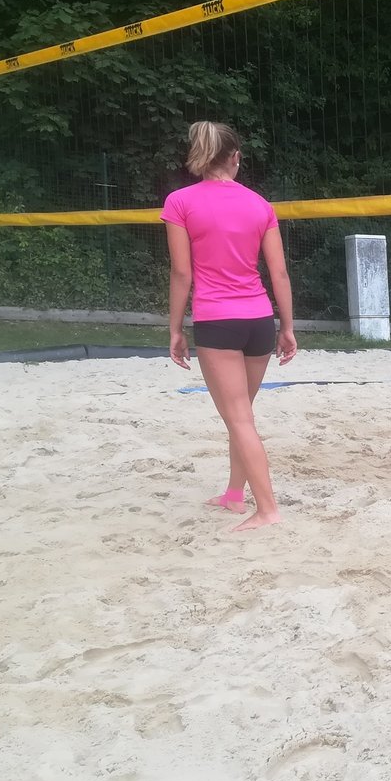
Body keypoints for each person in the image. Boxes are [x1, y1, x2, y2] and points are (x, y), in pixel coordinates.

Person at [163, 120, 297, 531]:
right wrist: (287, 327)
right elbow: (279, 273)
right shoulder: (259, 204)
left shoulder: (180, 202)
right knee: (242, 416)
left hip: (217, 320)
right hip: (259, 319)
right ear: (236, 157)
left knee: (239, 419)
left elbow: (181, 273)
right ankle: (235, 494)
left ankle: (268, 510)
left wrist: (175, 329)